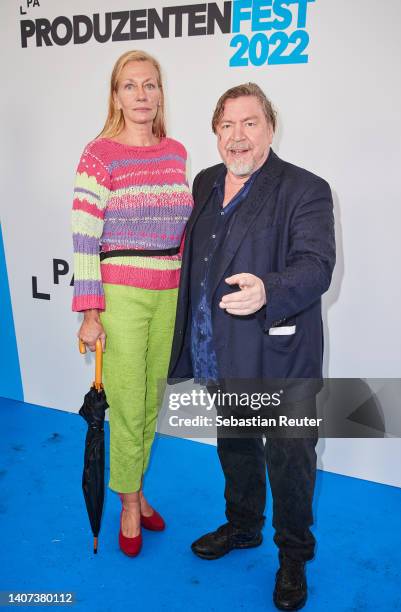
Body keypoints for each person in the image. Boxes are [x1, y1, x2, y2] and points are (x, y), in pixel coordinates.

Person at [168, 83, 335, 609]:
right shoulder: (204, 182)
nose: (237, 137)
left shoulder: (305, 189)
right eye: (227, 125)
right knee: (235, 445)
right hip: (220, 350)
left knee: (290, 460)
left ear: (270, 127)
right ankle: (242, 527)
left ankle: (293, 556)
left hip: (279, 356)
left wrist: (270, 290)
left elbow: (316, 266)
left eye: (250, 123)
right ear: (215, 133)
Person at [72, 50, 193, 557]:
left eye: (150, 85)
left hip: (170, 292)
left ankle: (136, 488)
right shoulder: (98, 154)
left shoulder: (177, 152)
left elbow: (184, 230)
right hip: (120, 293)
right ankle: (127, 503)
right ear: (116, 95)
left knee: (151, 402)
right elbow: (84, 238)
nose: (142, 95)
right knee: (126, 405)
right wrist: (91, 313)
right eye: (130, 85)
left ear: (161, 93)